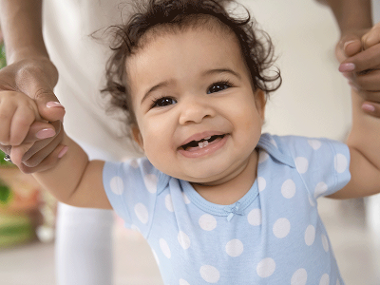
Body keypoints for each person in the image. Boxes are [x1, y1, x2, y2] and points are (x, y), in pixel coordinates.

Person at [0, 0, 378, 284]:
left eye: (218, 86)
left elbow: (370, 164)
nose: (195, 112)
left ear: (259, 103)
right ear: (139, 137)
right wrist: (38, 130)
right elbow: (78, 179)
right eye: (164, 101)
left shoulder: (294, 162)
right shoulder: (150, 188)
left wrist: (366, 86)